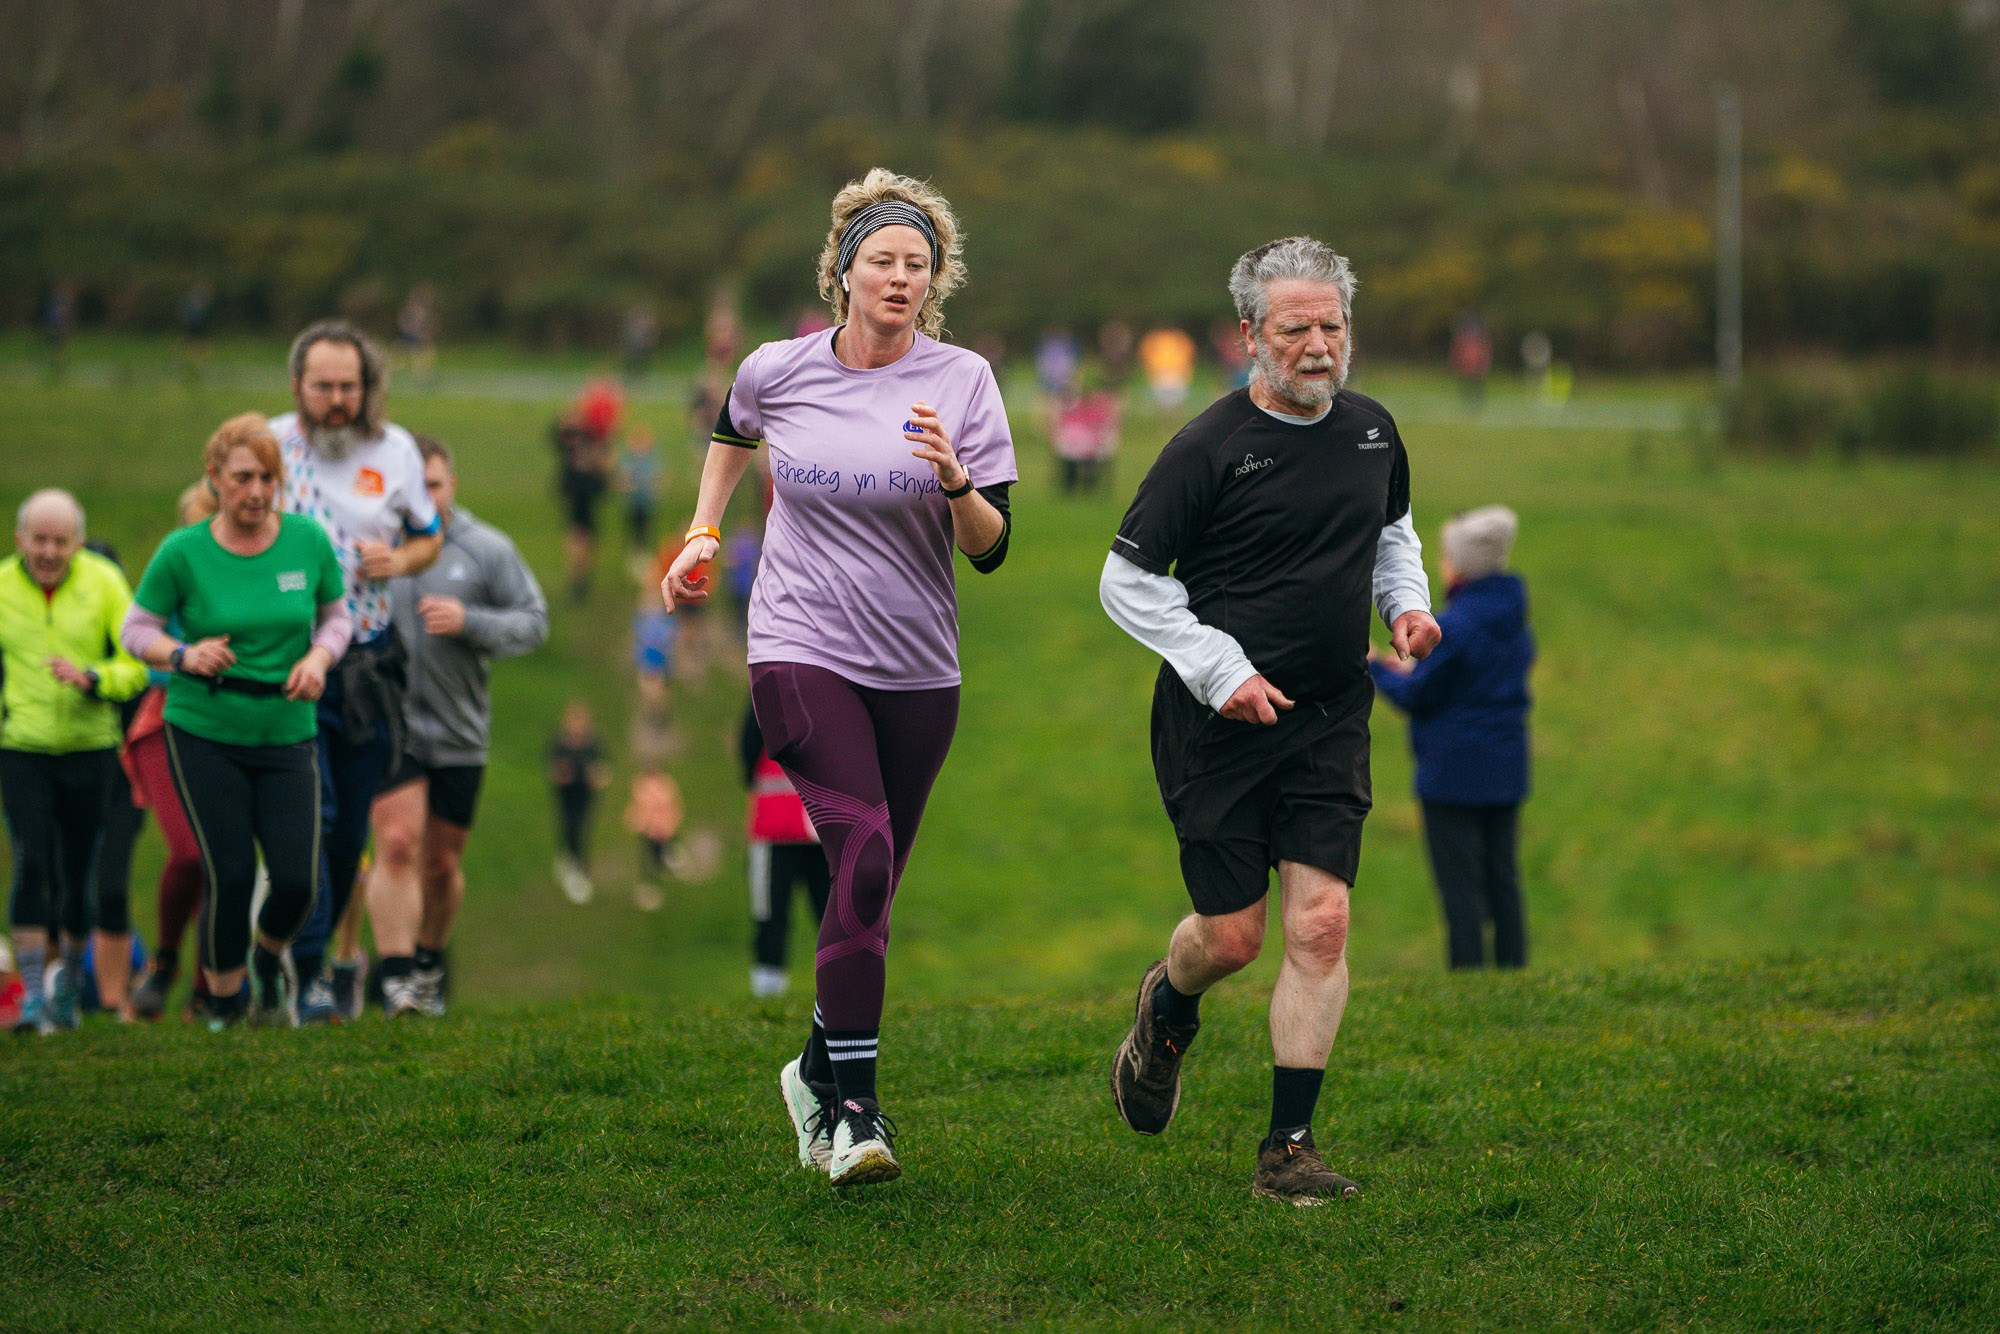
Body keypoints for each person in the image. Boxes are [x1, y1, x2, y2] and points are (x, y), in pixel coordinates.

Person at [663, 167, 1017, 1188]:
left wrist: (955, 479)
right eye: (882, 260)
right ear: (844, 271)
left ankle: (812, 1069)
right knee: (859, 862)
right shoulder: (778, 369)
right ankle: (855, 1113)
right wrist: (702, 529)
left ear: (934, 279)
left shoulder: (964, 382)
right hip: (797, 645)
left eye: (918, 264)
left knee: (876, 881)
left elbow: (992, 547)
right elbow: (732, 429)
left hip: (918, 667)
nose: (900, 277)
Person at [1099, 236, 1441, 1205]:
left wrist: (1405, 606)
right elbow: (1125, 582)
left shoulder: (1372, 431)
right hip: (1217, 725)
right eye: (1294, 329)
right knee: (1233, 937)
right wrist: (1222, 670)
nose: (1318, 346)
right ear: (1248, 334)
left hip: (1329, 714)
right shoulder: (1206, 448)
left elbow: (1390, 533)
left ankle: (1288, 1148)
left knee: (1322, 924)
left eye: (1332, 325)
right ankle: (1167, 1005)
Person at [121, 414, 351, 1027]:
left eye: (267, 478)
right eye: (243, 477)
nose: (256, 491)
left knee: (297, 881)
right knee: (230, 872)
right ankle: (224, 1005)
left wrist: (318, 658)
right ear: (215, 478)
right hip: (205, 727)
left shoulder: (306, 540)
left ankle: (267, 958)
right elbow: (135, 629)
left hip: (286, 728)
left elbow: (337, 617)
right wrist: (182, 655)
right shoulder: (184, 551)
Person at [272, 320, 442, 1023]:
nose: (338, 400)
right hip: (289, 662)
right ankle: (309, 971)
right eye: (324, 387)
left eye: (350, 386)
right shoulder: (271, 447)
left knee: (348, 836)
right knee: (313, 818)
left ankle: (300, 960)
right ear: (298, 386)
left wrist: (397, 561)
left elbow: (429, 537)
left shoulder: (394, 449)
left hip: (369, 663)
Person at [365, 434, 548, 1019]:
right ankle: (395, 980)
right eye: (413, 488)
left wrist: (471, 622)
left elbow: (534, 623)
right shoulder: (374, 546)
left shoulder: (487, 549)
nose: (424, 498)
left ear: (453, 485)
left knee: (441, 866)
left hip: (459, 731)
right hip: (389, 726)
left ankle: (427, 964)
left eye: (434, 486)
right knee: (396, 844)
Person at [1, 490, 148, 1032]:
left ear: (78, 543)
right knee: (31, 862)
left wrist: (94, 679)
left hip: (91, 750)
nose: (49, 551)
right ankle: (33, 995)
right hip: (24, 748)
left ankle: (66, 992)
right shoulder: (3, 587)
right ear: (20, 539)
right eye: (39, 540)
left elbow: (137, 663)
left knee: (76, 876)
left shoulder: (104, 584)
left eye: (60, 541)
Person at [1370, 505, 1534, 970]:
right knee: (1503, 878)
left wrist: (1375, 667)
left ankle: (1467, 977)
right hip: (1506, 769)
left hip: (1452, 776)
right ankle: (1513, 970)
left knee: (1460, 887)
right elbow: (1472, 681)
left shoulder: (1455, 625)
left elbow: (1417, 695)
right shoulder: (1514, 619)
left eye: (1444, 556)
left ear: (1460, 565)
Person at [127, 483, 220, 1021]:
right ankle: (164, 962)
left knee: (224, 858)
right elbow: (143, 646)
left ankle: (211, 987)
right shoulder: (174, 569)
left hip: (231, 724)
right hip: (166, 720)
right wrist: (189, 660)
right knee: (189, 851)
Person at [739, 703, 828, 999]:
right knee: (782, 913)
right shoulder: (831, 688)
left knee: (775, 912)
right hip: (806, 826)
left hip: (795, 827)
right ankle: (770, 992)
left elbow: (747, 749)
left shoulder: (763, 691)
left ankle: (770, 991)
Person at [548, 701, 610, 905]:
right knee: (567, 827)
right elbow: (552, 767)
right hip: (566, 794)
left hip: (585, 794)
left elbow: (604, 770)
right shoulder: (560, 743)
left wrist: (598, 777)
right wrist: (560, 774)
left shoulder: (593, 745)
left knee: (581, 829)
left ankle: (579, 870)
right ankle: (568, 857)